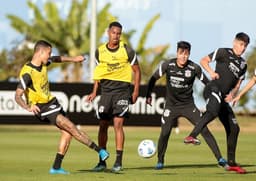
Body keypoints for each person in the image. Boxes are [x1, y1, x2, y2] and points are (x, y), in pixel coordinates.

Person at [15, 40, 109, 175]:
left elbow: (57, 59)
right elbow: (17, 96)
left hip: (52, 103)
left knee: (67, 133)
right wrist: (28, 106)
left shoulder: (44, 62)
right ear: (40, 52)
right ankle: (99, 150)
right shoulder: (27, 73)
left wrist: (74, 59)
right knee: (71, 127)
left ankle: (56, 167)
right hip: (42, 108)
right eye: (48, 53)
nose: (50, 55)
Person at [146, 41, 227, 170]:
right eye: (181, 53)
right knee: (165, 133)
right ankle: (160, 161)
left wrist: (215, 94)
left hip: (188, 106)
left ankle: (220, 159)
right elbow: (153, 78)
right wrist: (148, 94)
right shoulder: (168, 65)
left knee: (204, 129)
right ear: (177, 53)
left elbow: (207, 82)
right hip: (171, 107)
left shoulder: (194, 68)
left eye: (186, 54)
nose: (183, 56)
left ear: (189, 54)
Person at [184, 32, 250, 174]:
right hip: (212, 88)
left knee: (234, 128)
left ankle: (231, 163)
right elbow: (203, 60)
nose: (243, 48)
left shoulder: (243, 64)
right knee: (212, 111)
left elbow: (238, 84)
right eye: (241, 44)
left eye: (245, 46)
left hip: (223, 98)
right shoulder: (223, 52)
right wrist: (211, 72)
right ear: (234, 42)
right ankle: (192, 135)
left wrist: (233, 94)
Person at [86, 21, 141, 173]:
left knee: (118, 124)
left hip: (122, 91)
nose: (116, 36)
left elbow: (137, 71)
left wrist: (136, 91)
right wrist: (94, 91)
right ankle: (101, 161)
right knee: (103, 125)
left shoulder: (127, 51)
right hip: (106, 92)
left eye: (118, 33)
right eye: (113, 33)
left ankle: (118, 162)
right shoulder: (100, 51)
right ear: (108, 33)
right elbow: (99, 73)